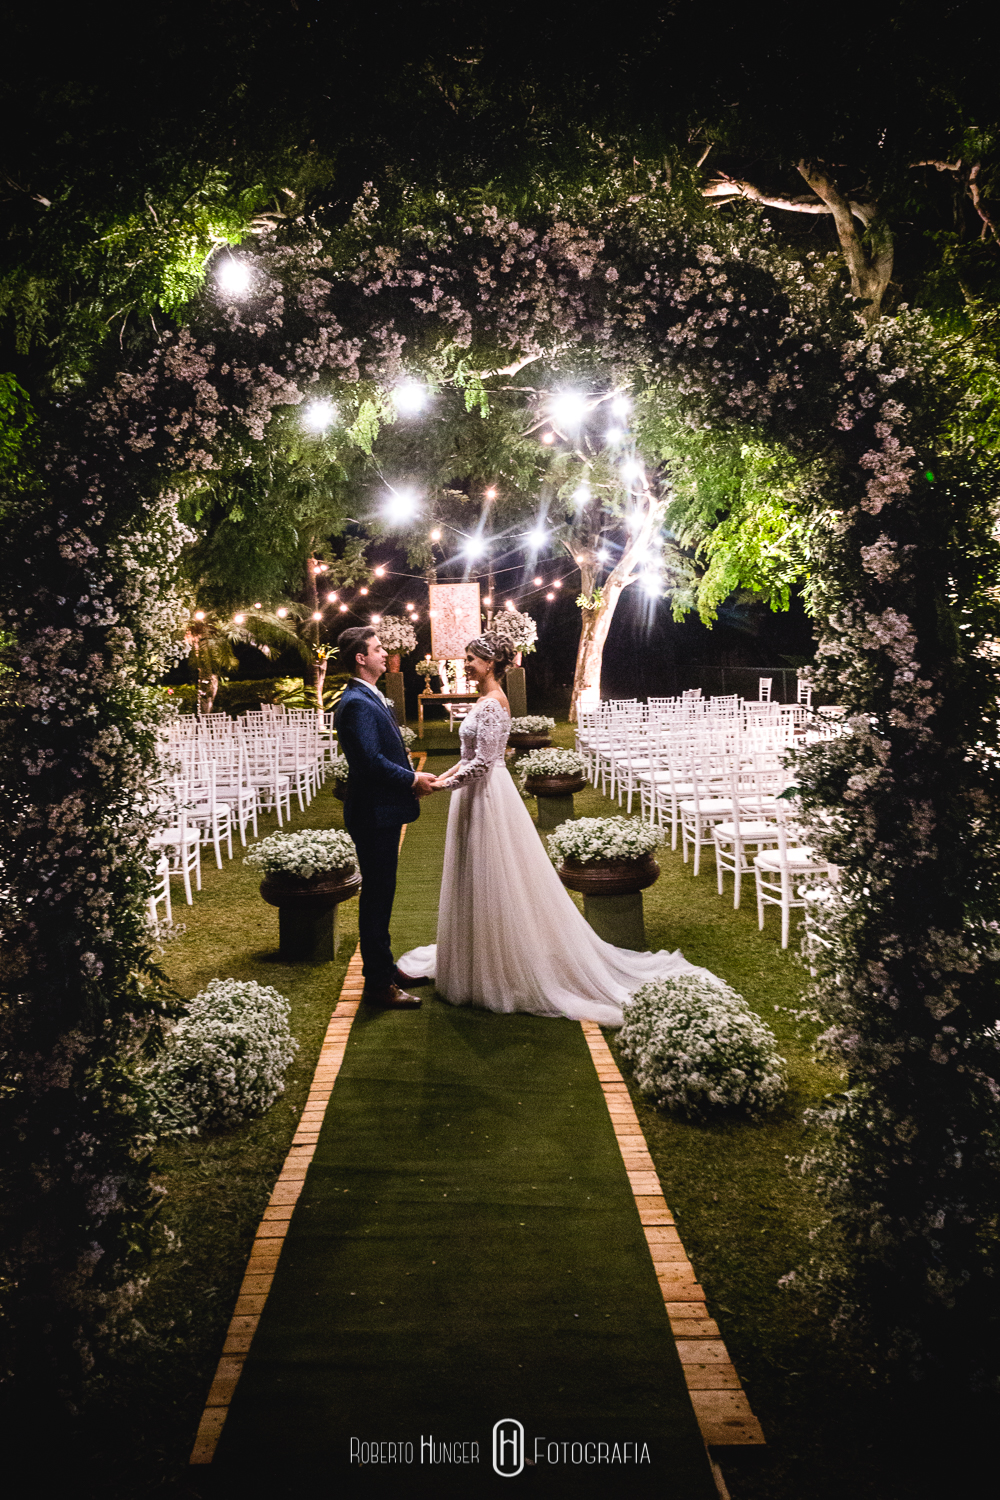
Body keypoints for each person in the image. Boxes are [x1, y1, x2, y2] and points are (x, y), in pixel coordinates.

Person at [397, 632, 717, 1025]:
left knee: (495, 874)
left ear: (491, 664)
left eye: (472, 659)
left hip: (488, 798)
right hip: (470, 797)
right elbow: (467, 757)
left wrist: (441, 786)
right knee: (471, 875)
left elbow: (483, 764)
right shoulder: (481, 701)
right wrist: (430, 778)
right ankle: (476, 953)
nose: (466, 664)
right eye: (467, 658)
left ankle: (503, 964)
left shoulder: (495, 704)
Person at [334, 626, 437, 1008]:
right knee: (377, 898)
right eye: (377, 649)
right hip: (373, 813)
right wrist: (412, 778)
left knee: (384, 893)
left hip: (380, 811)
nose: (383, 653)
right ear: (361, 658)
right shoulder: (357, 702)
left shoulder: (368, 695)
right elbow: (369, 762)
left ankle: (386, 967)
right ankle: (378, 984)